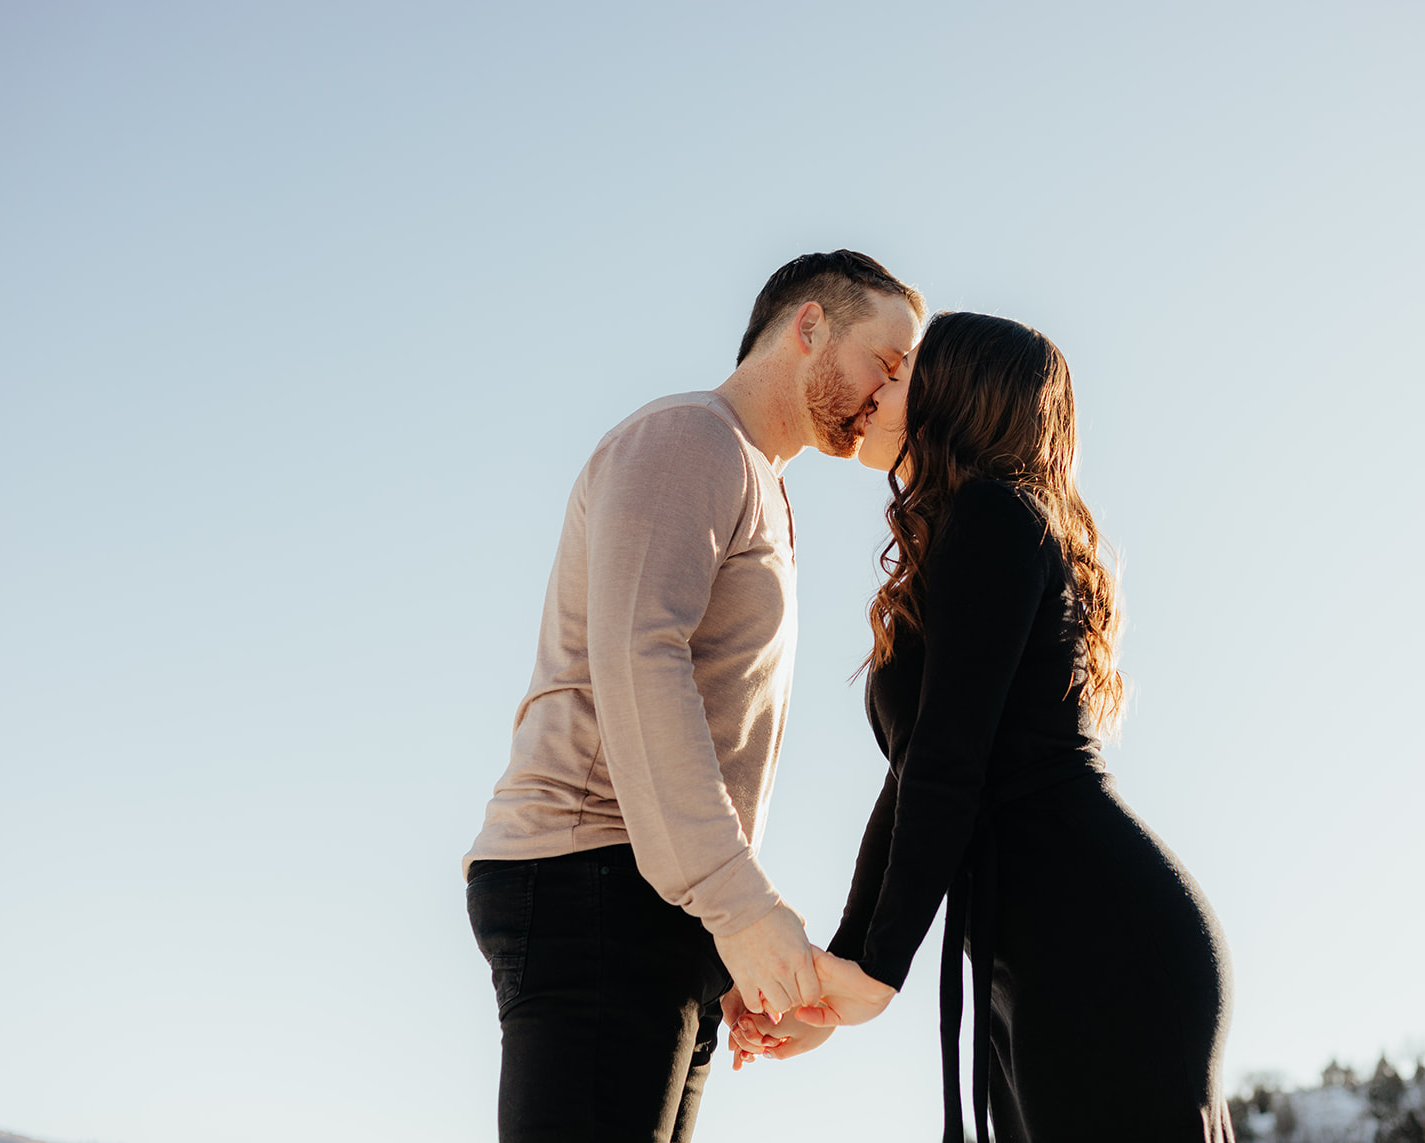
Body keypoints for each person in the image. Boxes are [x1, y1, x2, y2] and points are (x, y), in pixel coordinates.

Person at [731, 311, 1236, 1143]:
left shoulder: (995, 519)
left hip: (1100, 946)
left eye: (901, 370)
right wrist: (842, 975)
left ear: (953, 395)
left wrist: (878, 970)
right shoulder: (972, 536)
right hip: (1039, 958)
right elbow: (914, 777)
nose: (878, 387)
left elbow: (946, 762)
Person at [461, 249, 925, 1142]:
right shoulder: (690, 438)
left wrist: (724, 950)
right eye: (889, 360)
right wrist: (741, 909)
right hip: (590, 874)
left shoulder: (757, 478)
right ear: (809, 325)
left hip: (652, 903)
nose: (892, 390)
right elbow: (642, 661)